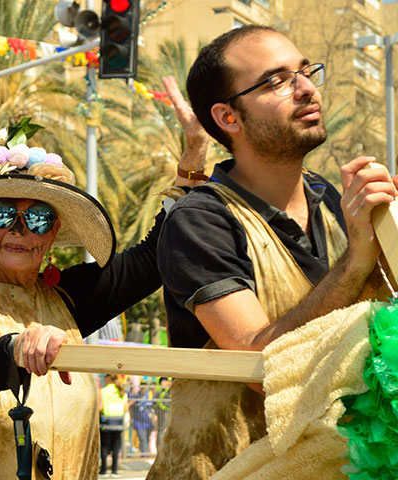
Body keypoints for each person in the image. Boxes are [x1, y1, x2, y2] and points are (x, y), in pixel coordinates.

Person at [0, 116, 207, 480]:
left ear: (53, 234)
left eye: (39, 218)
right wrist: (17, 347)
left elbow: (150, 259)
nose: (19, 229)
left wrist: (193, 162)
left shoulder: (66, 298)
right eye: (2, 214)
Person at [148, 25, 398, 480]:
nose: (306, 88)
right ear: (228, 117)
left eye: (305, 71)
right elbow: (260, 363)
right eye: (277, 80)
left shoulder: (339, 204)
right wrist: (357, 260)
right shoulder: (199, 219)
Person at [98, 374, 128, 478]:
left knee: (105, 446)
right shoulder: (122, 391)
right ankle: (115, 470)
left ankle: (104, 470)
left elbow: (100, 407)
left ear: (109, 378)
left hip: (107, 422)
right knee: (116, 447)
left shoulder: (103, 391)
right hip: (118, 422)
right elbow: (125, 409)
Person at [153, 377, 171, 449]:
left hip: (168, 411)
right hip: (161, 412)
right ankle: (159, 448)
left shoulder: (167, 390)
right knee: (161, 430)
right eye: (164, 381)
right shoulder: (159, 391)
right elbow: (156, 403)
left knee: (167, 430)